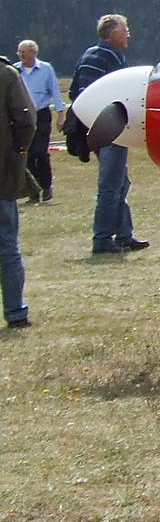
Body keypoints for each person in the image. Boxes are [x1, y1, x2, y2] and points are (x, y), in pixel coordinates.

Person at [73, 14, 146, 256]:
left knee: (121, 183)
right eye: (125, 29)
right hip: (109, 130)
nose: (128, 34)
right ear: (113, 33)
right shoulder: (100, 57)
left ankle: (124, 235)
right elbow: (86, 94)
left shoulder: (106, 56)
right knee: (110, 186)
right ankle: (102, 239)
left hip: (110, 129)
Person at [2, 55, 34, 326]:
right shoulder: (7, 75)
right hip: (2, 176)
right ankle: (15, 312)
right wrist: (18, 153)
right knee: (7, 246)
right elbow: (26, 120)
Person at [15, 39, 64, 204]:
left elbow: (55, 91)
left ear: (33, 53)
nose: (21, 55)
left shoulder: (46, 69)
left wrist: (61, 114)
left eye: (24, 52)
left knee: (40, 152)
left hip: (41, 115)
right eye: (19, 52)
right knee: (26, 154)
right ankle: (33, 191)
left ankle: (46, 185)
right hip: (23, 117)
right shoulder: (15, 70)